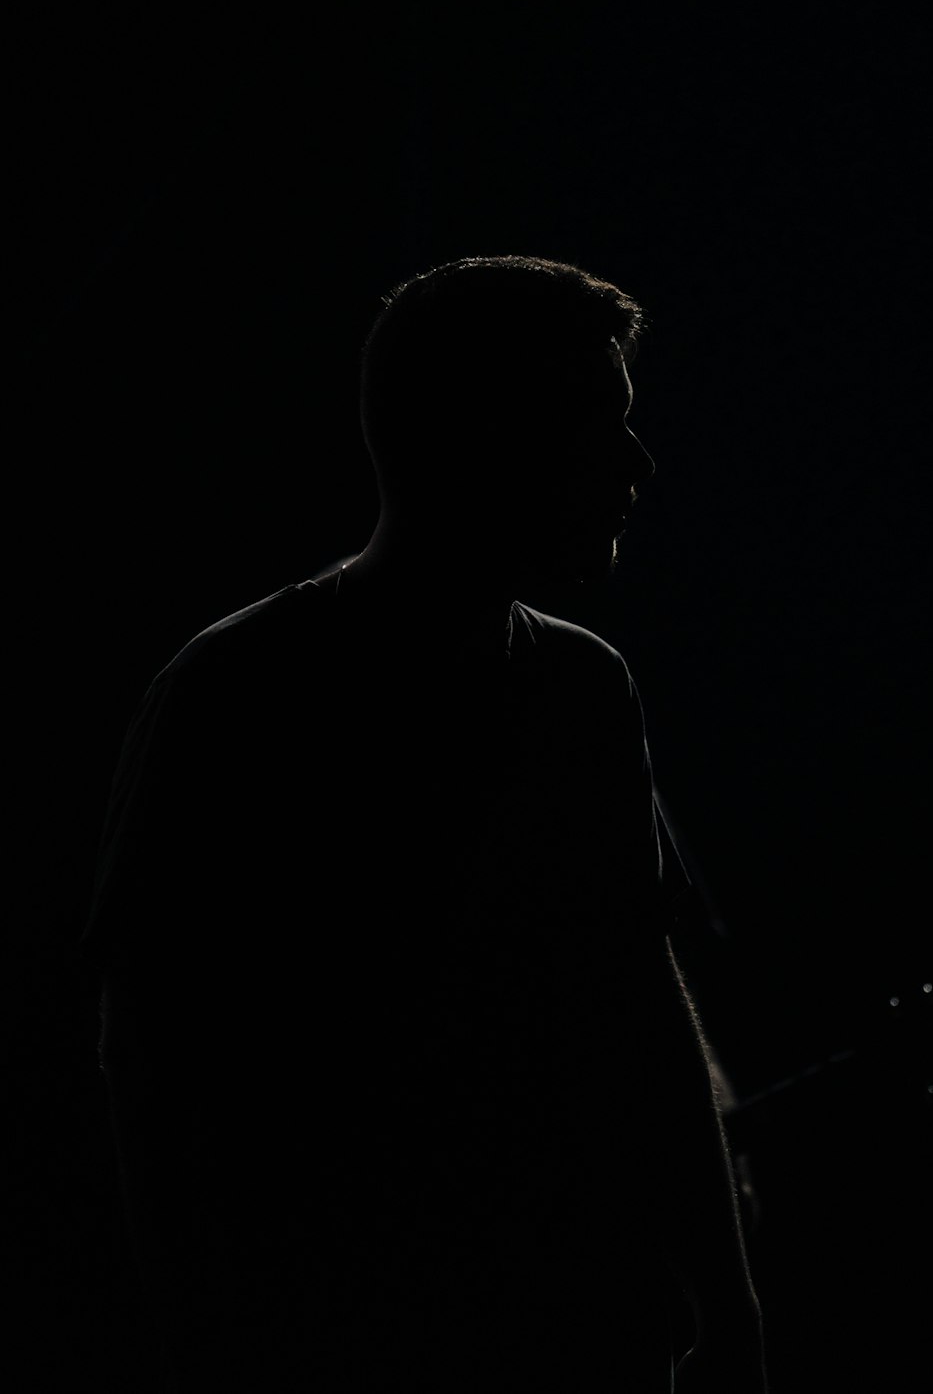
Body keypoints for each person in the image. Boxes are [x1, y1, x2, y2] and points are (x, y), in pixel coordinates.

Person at [80, 255, 767, 1390]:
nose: (636, 464)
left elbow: (639, 1007)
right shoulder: (239, 691)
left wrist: (726, 1301)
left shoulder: (584, 688)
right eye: (598, 421)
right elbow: (151, 1054)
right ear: (485, 433)